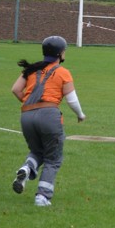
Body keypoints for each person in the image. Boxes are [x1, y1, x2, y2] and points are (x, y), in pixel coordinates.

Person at [11, 36, 86, 206]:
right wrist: (80, 115)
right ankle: (42, 196)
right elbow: (72, 100)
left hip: (26, 115)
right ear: (60, 53)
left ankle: (27, 168)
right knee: (53, 158)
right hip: (49, 115)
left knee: (37, 151)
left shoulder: (31, 69)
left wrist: (30, 105)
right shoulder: (62, 72)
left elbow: (15, 90)